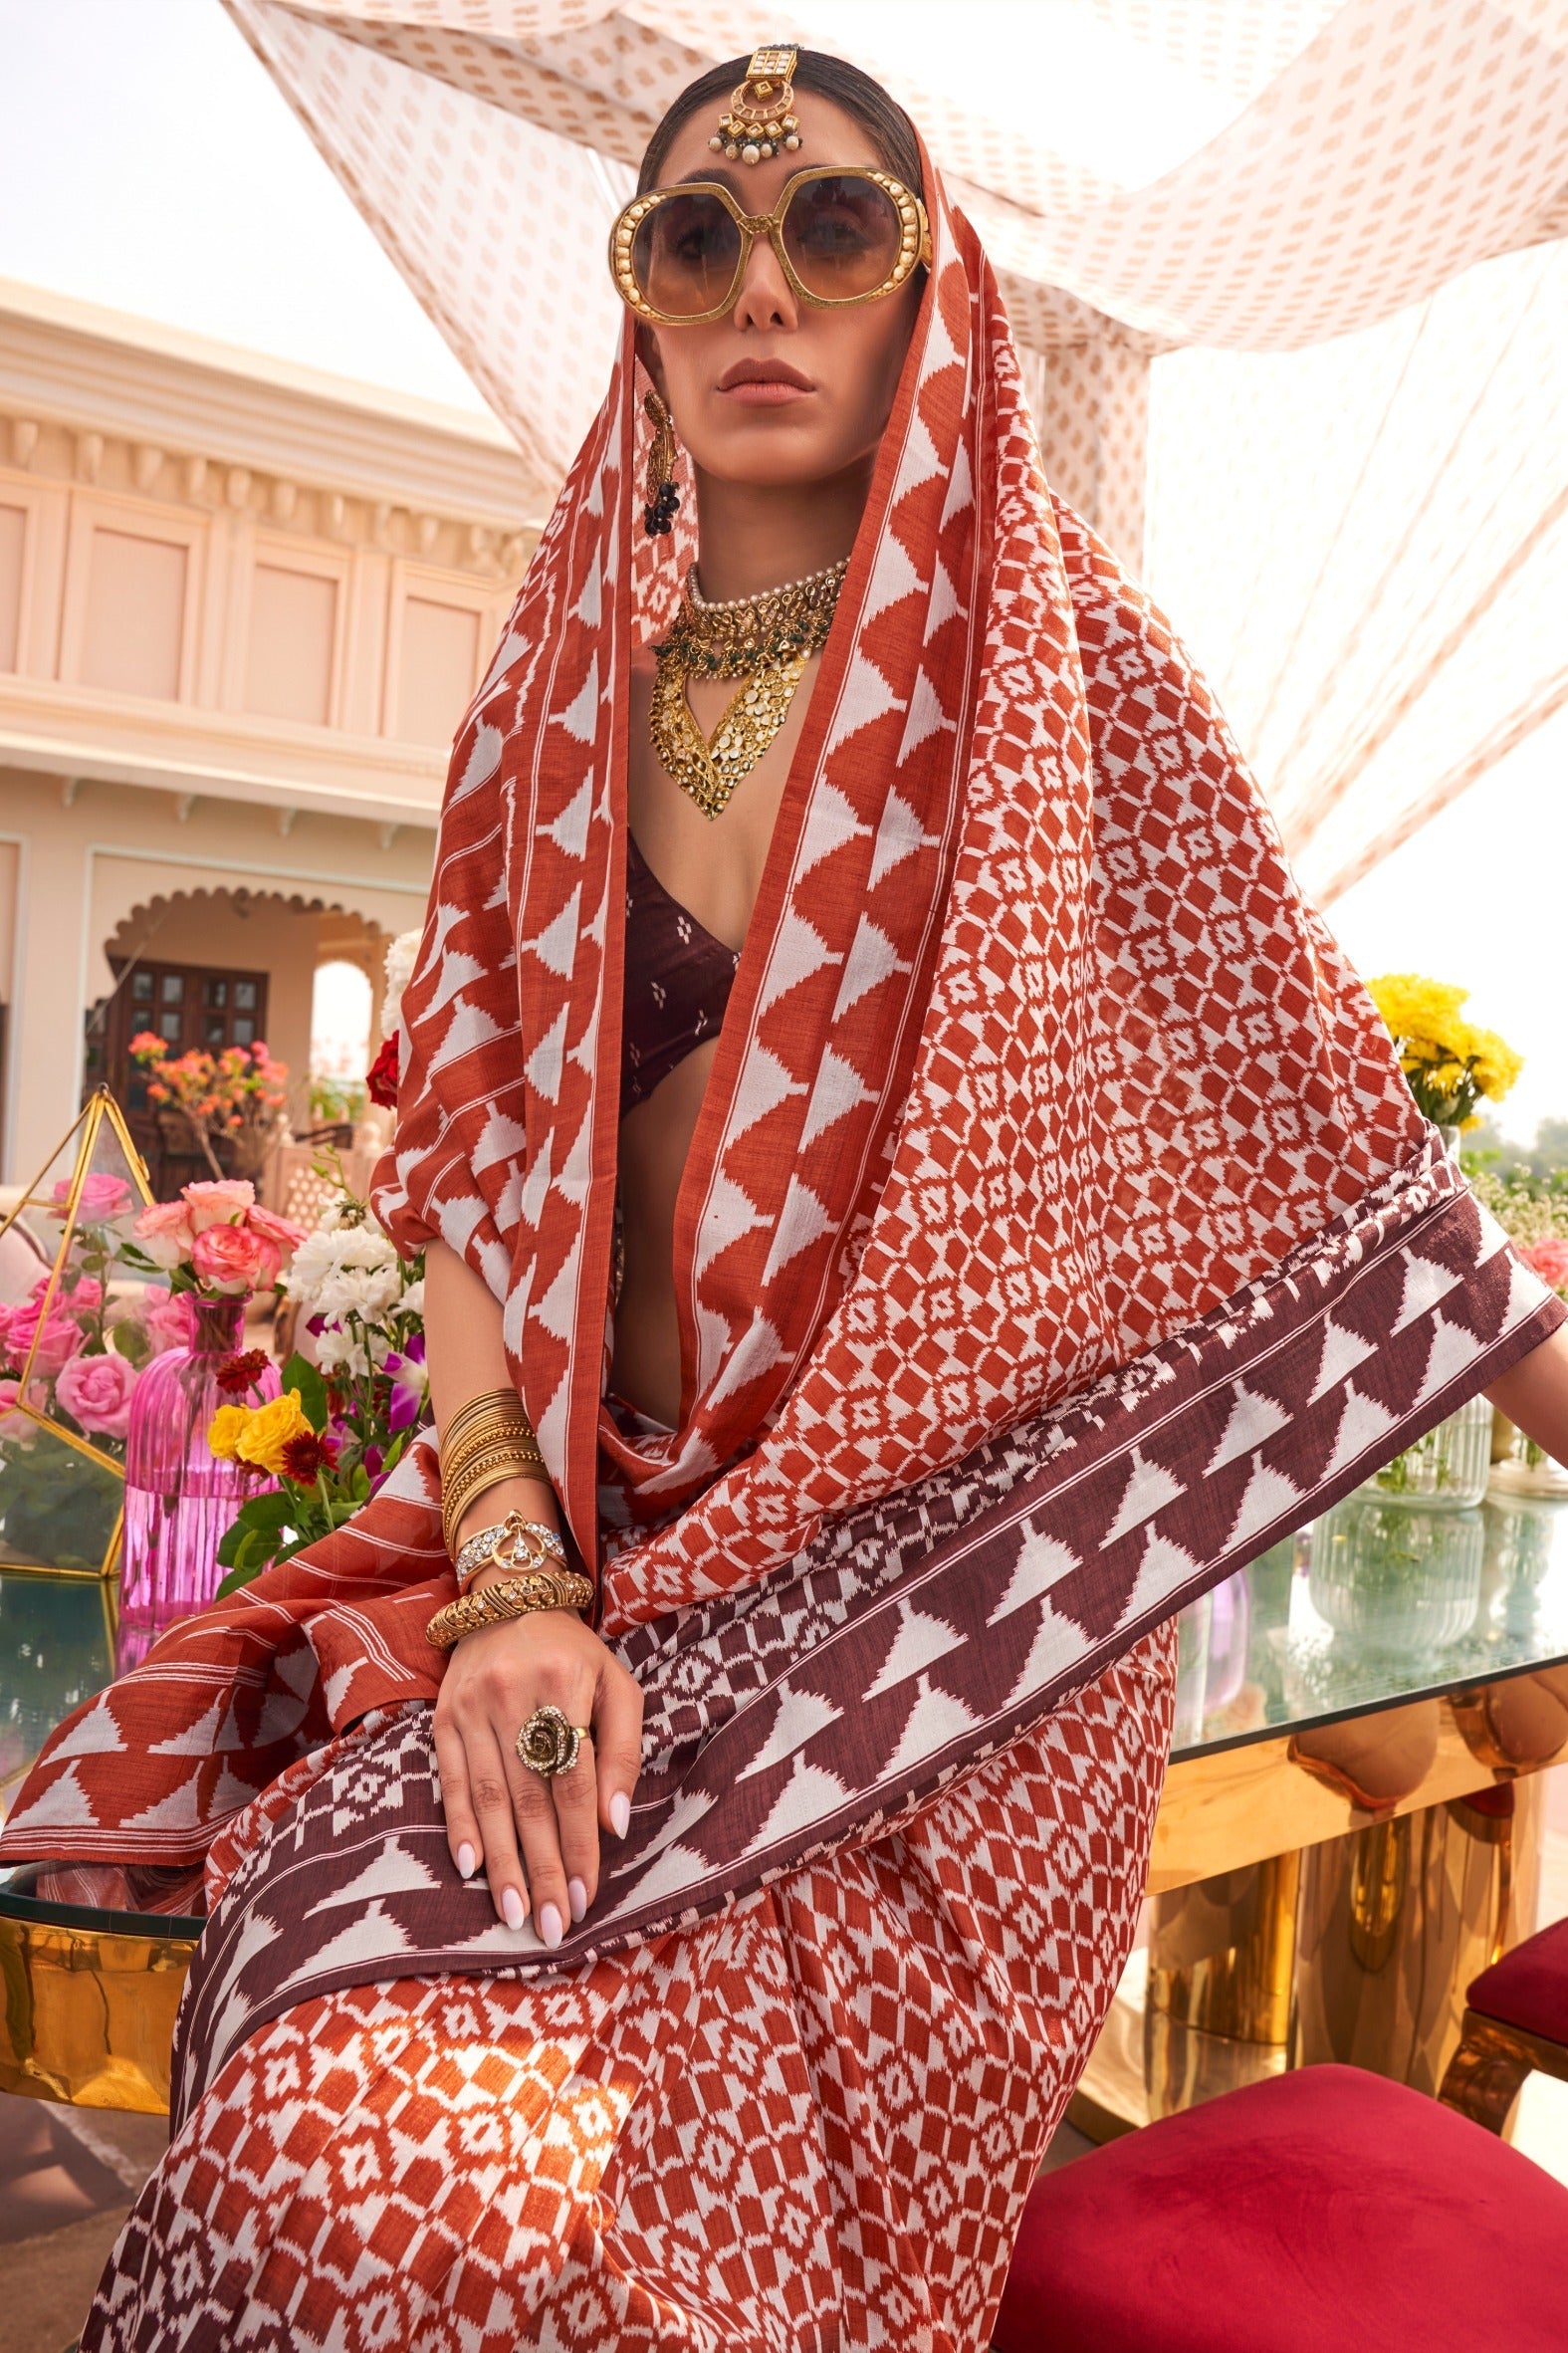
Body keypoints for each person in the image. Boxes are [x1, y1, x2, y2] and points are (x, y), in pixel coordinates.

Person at [7, 45, 1568, 2353]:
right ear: (636, 306)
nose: (765, 287)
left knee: (538, 2225)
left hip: (955, 1654)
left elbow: (1364, 1184)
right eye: (697, 241)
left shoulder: (1073, 686)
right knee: (312, 2117)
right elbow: (450, 1192)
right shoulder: (546, 704)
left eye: (833, 232)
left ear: (922, 296)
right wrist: (515, 1576)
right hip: (599, 1584)